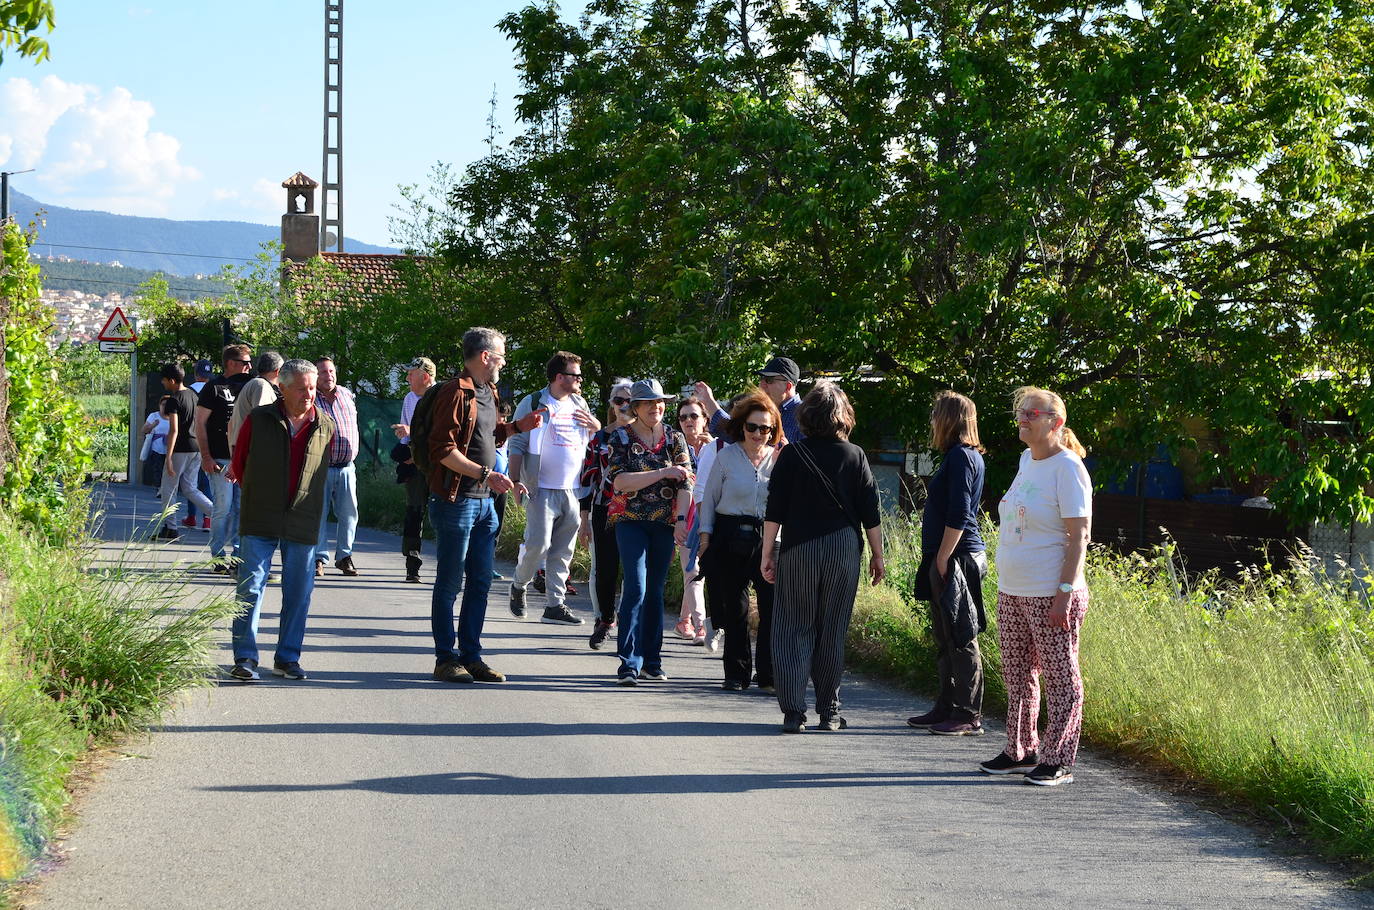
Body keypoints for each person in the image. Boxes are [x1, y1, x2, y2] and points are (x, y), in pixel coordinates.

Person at [979, 386, 1092, 787]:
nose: (1022, 419)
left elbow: (1079, 536)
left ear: (1055, 422)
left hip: (1052, 591)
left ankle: (1058, 758)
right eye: (1021, 413)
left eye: (1032, 413)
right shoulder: (1027, 459)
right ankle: (1020, 750)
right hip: (1013, 589)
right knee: (1017, 674)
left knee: (1061, 678)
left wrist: (1065, 591)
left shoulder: (1069, 468)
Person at [763, 382, 883, 733]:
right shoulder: (855, 455)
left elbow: (775, 509)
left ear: (807, 415)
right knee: (832, 630)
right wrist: (878, 555)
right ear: (843, 416)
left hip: (799, 546)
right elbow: (870, 511)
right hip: (843, 547)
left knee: (792, 626)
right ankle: (829, 711)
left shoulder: (791, 455)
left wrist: (767, 551)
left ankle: (793, 712)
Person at [426, 327, 543, 684]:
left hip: (484, 504)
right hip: (456, 501)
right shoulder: (454, 392)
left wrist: (516, 427)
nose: (504, 364)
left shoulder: (488, 392)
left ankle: (471, 656)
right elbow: (443, 450)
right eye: (502, 357)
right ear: (485, 357)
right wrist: (486, 473)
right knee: (450, 583)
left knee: (479, 582)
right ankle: (446, 658)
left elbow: (484, 435)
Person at [224, 359, 337, 681]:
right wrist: (261, 493)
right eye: (301, 388)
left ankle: (288, 658)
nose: (308, 394)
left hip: (303, 518)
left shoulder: (325, 425)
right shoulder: (260, 419)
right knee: (250, 587)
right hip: (260, 515)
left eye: (312, 388)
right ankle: (245, 657)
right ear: (282, 388)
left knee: (299, 591)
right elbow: (240, 462)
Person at [907, 391, 989, 736]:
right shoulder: (957, 457)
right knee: (944, 636)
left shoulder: (962, 458)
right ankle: (945, 706)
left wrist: (942, 557)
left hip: (958, 556)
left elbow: (959, 514)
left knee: (961, 636)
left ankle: (968, 713)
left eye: (936, 415)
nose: (932, 422)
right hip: (950, 555)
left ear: (950, 420)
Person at [605, 379, 693, 685]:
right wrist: (662, 472)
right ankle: (628, 663)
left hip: (665, 523)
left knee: (655, 592)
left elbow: (686, 482)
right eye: (649, 403)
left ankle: (652, 662)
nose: (657, 407)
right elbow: (619, 482)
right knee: (636, 588)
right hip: (630, 520)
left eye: (661, 402)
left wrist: (682, 519)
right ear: (636, 408)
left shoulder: (673, 437)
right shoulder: (621, 437)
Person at [507, 352, 600, 624]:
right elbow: (517, 442)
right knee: (538, 544)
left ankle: (554, 605)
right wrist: (515, 481)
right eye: (575, 375)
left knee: (563, 551)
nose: (580, 380)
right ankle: (519, 584)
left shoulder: (580, 402)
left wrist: (596, 426)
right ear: (560, 377)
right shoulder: (534, 401)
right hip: (540, 488)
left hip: (572, 489)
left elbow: (593, 437)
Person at [699, 389, 781, 690]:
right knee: (735, 609)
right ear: (741, 426)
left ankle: (769, 674)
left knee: (772, 608)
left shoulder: (779, 460)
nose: (758, 433)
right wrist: (705, 541)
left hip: (769, 537)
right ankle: (736, 673)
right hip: (729, 534)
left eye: (765, 428)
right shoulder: (726, 457)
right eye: (752, 426)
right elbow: (708, 502)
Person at [578, 378, 633, 650]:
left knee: (635, 569)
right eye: (618, 400)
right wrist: (583, 520)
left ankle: (630, 623)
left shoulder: (645, 436)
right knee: (605, 568)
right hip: (604, 508)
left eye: (629, 400)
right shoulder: (600, 439)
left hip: (638, 509)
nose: (624, 405)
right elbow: (587, 480)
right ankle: (605, 620)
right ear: (612, 405)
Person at [194, 344, 253, 572]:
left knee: (241, 508)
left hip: (244, 458)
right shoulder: (213, 387)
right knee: (223, 507)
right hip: (220, 458)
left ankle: (237, 556)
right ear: (231, 363)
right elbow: (199, 423)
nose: (249, 367)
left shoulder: (250, 385)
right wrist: (206, 456)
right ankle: (217, 557)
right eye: (245, 362)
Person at [155, 363, 214, 541]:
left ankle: (171, 528)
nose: (163, 384)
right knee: (190, 488)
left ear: (172, 380)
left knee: (168, 489)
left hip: (180, 449)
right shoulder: (194, 396)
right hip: (196, 447)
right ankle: (220, 515)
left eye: (165, 381)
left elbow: (174, 430)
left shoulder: (174, 400)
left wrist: (169, 458)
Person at [313, 357, 360, 577]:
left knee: (349, 514)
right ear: (315, 375)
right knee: (318, 514)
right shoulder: (310, 397)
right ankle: (318, 558)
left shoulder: (346, 394)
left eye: (331, 370)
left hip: (347, 467)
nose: (328, 375)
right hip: (320, 467)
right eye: (322, 372)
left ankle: (344, 557)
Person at [672, 396, 713, 645]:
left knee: (697, 572)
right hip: (684, 517)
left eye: (694, 415)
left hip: (710, 516)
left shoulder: (717, 447)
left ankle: (683, 620)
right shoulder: (676, 448)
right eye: (683, 417)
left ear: (705, 419)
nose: (688, 421)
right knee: (693, 571)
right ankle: (701, 625)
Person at [392, 356, 436, 583]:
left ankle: (449, 565)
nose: (407, 377)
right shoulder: (409, 398)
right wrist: (405, 452)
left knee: (442, 515)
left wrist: (411, 432)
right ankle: (412, 565)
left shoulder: (442, 397)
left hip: (439, 466)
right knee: (413, 513)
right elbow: (406, 435)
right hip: (415, 463)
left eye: (412, 373)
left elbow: (441, 435)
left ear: (425, 377)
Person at [696, 355, 805, 444]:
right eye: (761, 378)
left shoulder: (806, 416)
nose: (762, 384)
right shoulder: (762, 409)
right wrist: (708, 402)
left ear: (788, 386)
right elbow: (735, 435)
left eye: (769, 380)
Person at [183, 359, 215, 531]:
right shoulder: (215, 390)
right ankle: (208, 519)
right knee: (207, 482)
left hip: (192, 440)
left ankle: (191, 516)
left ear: (195, 374)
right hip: (212, 440)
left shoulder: (187, 392)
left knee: (191, 483)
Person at [230, 352, 284, 452]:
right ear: (278, 371)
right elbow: (262, 421)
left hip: (244, 448)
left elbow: (230, 424)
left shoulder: (256, 383)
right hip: (250, 451)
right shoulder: (261, 386)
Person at [140, 397, 171, 486]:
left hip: (170, 448)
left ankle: (166, 488)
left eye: (167, 405)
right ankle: (159, 488)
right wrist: (153, 425)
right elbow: (144, 430)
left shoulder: (174, 417)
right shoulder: (154, 416)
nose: (165, 407)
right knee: (158, 469)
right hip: (157, 448)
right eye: (163, 405)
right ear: (159, 405)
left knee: (168, 470)